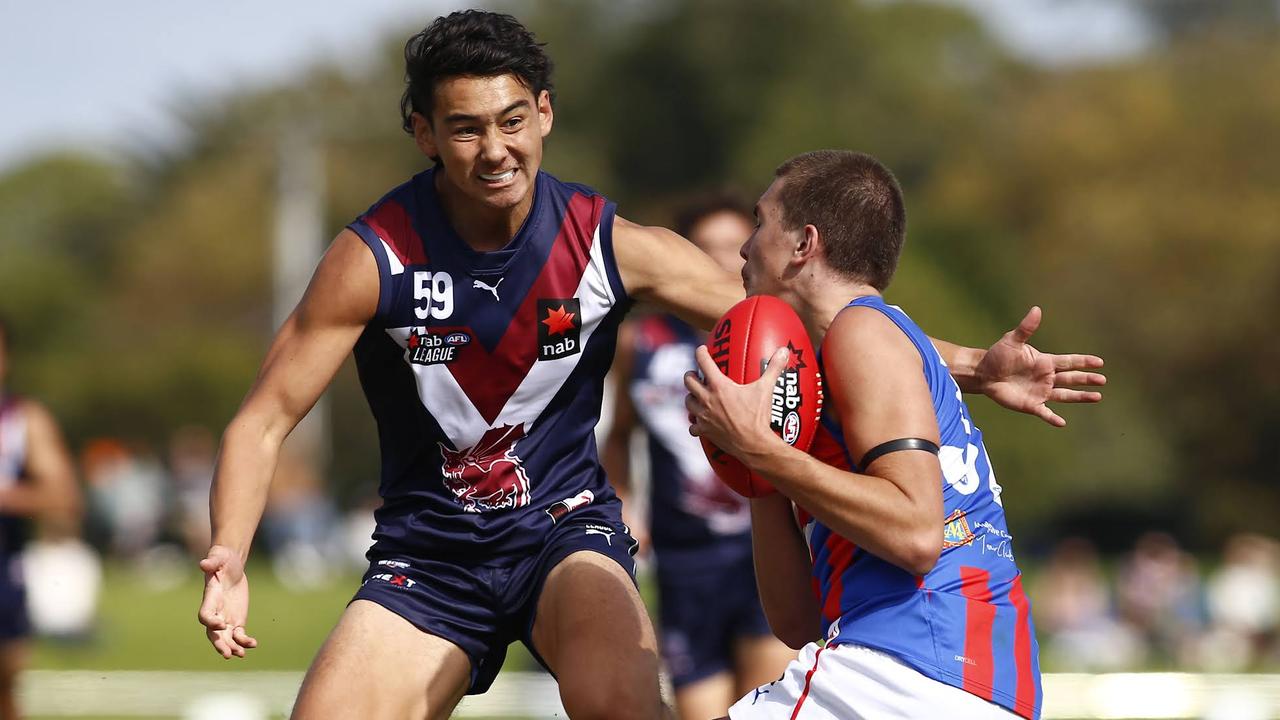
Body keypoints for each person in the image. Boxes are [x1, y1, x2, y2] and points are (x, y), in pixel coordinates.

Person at [196, 12, 1104, 720]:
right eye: (466, 129)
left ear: (545, 114)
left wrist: (972, 367)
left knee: (621, 703)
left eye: (514, 120)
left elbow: (802, 318)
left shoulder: (605, 243)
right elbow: (263, 418)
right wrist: (231, 553)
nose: (496, 150)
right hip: (428, 555)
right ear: (423, 133)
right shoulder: (375, 257)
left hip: (563, 534)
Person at [687, 150, 1104, 719]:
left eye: (760, 222)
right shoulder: (847, 362)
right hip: (960, 682)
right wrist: (757, 464)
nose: (744, 245)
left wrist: (760, 448)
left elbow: (914, 534)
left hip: (908, 668)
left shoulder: (860, 331)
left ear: (805, 244)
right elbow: (796, 622)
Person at [603, 196, 794, 720]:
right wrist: (623, 502)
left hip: (763, 552)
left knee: (768, 705)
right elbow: (617, 435)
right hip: (684, 559)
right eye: (705, 249)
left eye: (734, 249)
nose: (720, 263)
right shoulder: (640, 341)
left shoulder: (781, 341)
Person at [0, 317, 82, 720]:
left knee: (4, 690)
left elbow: (62, 494)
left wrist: (7, 497)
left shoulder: (23, 420)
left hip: (3, 574)